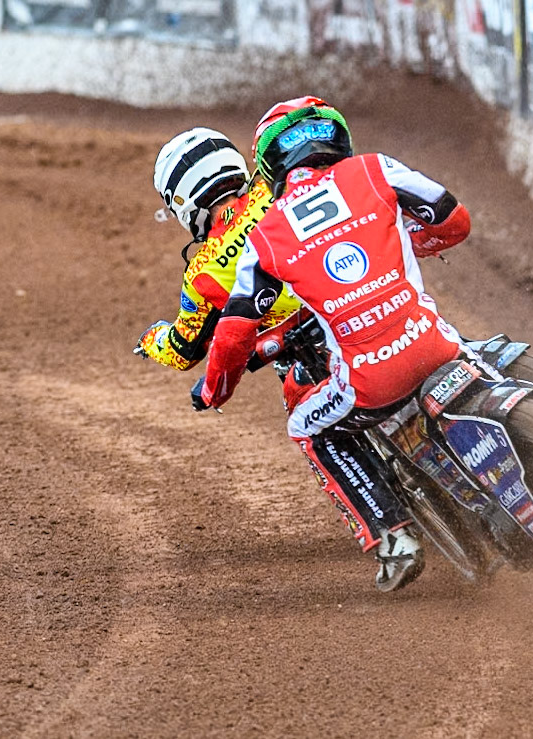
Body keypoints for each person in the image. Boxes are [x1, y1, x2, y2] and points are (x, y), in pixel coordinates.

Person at [192, 97, 473, 592]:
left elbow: (233, 334)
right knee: (486, 355)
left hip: (369, 381)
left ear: (269, 166)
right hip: (438, 345)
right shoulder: (376, 169)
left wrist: (214, 392)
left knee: (308, 426)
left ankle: (392, 535)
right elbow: (454, 223)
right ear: (338, 138)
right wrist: (407, 244)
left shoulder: (265, 236)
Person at [134, 127, 300, 370]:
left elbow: (182, 352)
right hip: (364, 291)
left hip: (319, 347)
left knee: (293, 374)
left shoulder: (203, 272)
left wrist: (152, 338)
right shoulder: (282, 187)